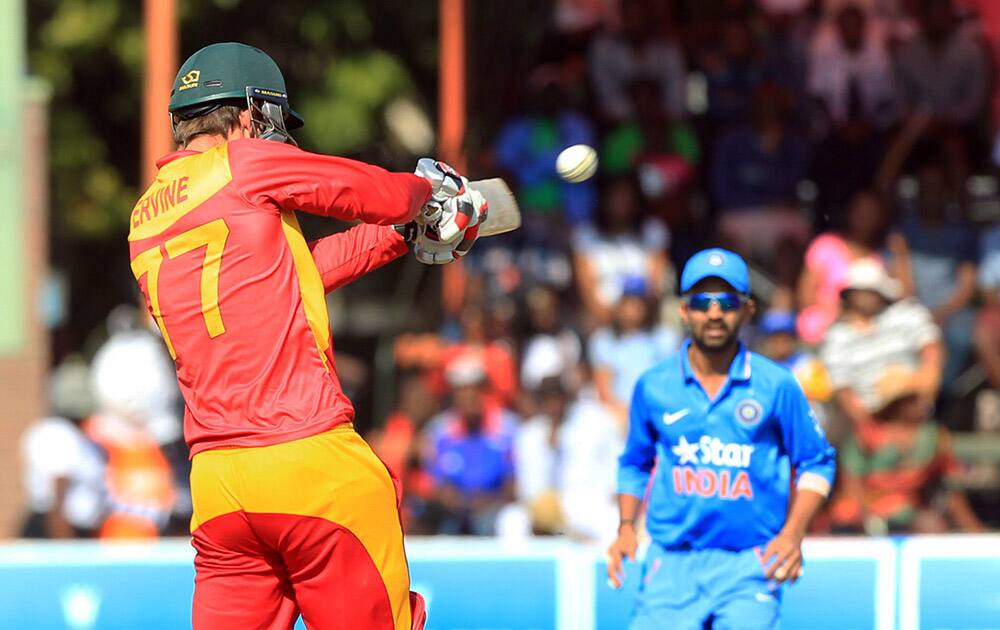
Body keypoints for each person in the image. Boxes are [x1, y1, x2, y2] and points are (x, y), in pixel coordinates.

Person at [129, 42, 485, 630]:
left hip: (218, 487)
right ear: (248, 113)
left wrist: (402, 235)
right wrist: (432, 192)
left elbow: (293, 278)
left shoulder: (145, 216)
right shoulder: (242, 161)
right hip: (309, 464)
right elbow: (376, 192)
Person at [608, 248, 836, 629]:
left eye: (727, 302)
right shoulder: (654, 386)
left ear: (747, 310)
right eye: (701, 302)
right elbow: (634, 463)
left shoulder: (776, 385)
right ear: (683, 311)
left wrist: (793, 534)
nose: (714, 313)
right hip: (672, 565)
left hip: (749, 563)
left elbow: (817, 461)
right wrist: (627, 527)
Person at [830, 366, 984, 534]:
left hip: (908, 513)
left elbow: (952, 486)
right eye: (912, 400)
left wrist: (973, 530)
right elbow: (851, 483)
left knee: (931, 525)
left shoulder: (934, 437)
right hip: (864, 512)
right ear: (896, 405)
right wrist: (869, 518)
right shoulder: (867, 434)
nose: (921, 404)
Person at [821, 260, 944, 440]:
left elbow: (931, 347)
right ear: (850, 295)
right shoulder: (837, 336)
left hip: (913, 402)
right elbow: (842, 388)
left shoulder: (905, 314)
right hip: (870, 411)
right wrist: (868, 425)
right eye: (860, 291)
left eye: (870, 291)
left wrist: (928, 391)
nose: (865, 297)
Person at [421, 358, 519, 536]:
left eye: (475, 389)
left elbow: (513, 484)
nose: (469, 396)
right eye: (462, 390)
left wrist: (488, 502)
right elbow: (436, 485)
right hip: (453, 511)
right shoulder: (439, 431)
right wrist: (462, 503)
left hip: (494, 509)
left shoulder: (508, 428)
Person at [20, 358, 105, 539]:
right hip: (58, 531)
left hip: (71, 529)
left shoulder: (74, 434)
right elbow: (58, 497)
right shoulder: (58, 433)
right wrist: (64, 550)